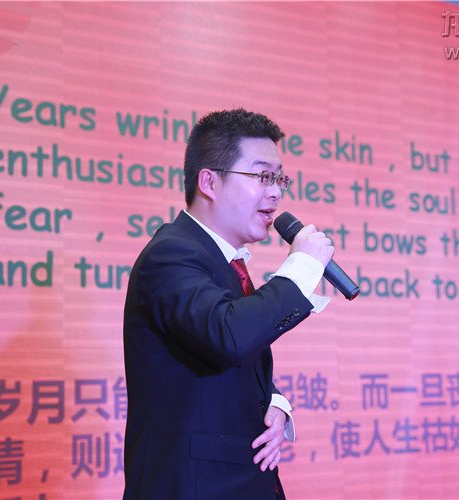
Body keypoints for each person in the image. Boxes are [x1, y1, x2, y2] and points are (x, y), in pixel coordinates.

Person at [122, 108, 334, 499]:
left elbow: (217, 352)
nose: (276, 192)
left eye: (279, 178)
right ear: (209, 182)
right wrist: (303, 266)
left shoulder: (224, 262)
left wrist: (273, 400)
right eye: (262, 176)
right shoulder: (170, 255)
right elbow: (229, 335)